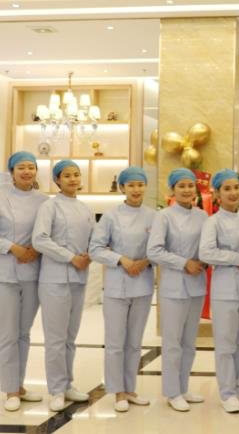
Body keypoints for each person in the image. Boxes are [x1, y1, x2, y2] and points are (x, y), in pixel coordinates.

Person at [89, 166, 156, 412]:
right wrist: (121, 260)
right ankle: (117, 392)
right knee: (115, 341)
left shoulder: (154, 216)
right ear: (122, 188)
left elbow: (161, 247)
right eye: (131, 185)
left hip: (143, 284)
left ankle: (130, 388)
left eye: (140, 185)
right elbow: (95, 249)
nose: (136, 190)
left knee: (135, 342)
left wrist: (146, 261)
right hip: (117, 285)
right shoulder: (111, 216)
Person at [32, 160, 95, 412]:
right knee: (56, 338)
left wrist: (90, 253)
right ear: (57, 180)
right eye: (66, 175)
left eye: (76, 174)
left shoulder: (85, 208)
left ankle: (68, 384)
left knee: (70, 337)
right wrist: (71, 257)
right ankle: (56, 390)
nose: (72, 179)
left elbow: (94, 239)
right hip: (54, 279)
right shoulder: (49, 206)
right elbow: (39, 239)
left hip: (78, 278)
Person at [147, 168, 208, 412]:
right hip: (173, 286)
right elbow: (154, 251)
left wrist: (204, 261)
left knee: (189, 342)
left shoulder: (203, 216)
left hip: (196, 284)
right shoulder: (164, 216)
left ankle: (183, 387)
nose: (186, 190)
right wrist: (184, 263)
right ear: (172, 189)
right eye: (181, 186)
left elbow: (207, 246)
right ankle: (172, 392)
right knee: (172, 342)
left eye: (190, 185)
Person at [199, 168, 239, 414]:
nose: (233, 193)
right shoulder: (212, 222)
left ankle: (237, 386)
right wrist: (237, 258)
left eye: (236, 188)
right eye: (227, 189)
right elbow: (206, 252)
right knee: (225, 343)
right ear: (217, 194)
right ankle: (226, 393)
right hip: (225, 289)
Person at [0, 152, 47, 411]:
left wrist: (35, 250)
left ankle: (18, 385)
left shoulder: (44, 201)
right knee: (7, 333)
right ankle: (9, 390)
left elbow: (49, 232)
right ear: (11, 172)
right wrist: (12, 247)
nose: (27, 171)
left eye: (31, 167)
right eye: (21, 167)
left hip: (33, 272)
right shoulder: (1, 195)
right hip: (5, 272)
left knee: (24, 332)